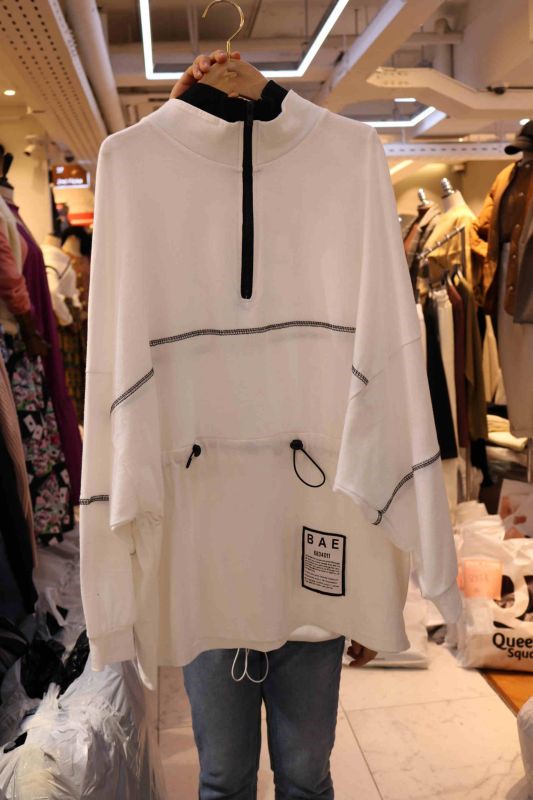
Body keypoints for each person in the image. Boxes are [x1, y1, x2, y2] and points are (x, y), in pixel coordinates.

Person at [167, 50, 378, 800]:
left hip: (311, 561)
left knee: (304, 775)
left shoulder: (343, 176)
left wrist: (373, 581)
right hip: (208, 565)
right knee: (224, 777)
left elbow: (377, 398)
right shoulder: (154, 189)